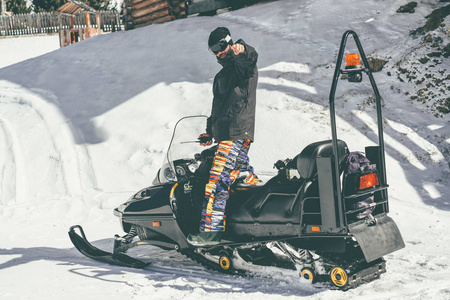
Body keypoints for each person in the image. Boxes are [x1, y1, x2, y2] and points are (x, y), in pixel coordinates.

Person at [187, 27, 260, 246]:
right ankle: (261, 219)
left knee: (217, 182)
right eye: (213, 51)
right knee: (244, 178)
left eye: (219, 47)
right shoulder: (221, 76)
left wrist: (242, 49)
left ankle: (210, 232)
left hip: (237, 133)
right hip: (227, 136)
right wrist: (210, 133)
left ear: (228, 42)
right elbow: (217, 108)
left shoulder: (241, 67)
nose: (218, 54)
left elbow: (249, 58)